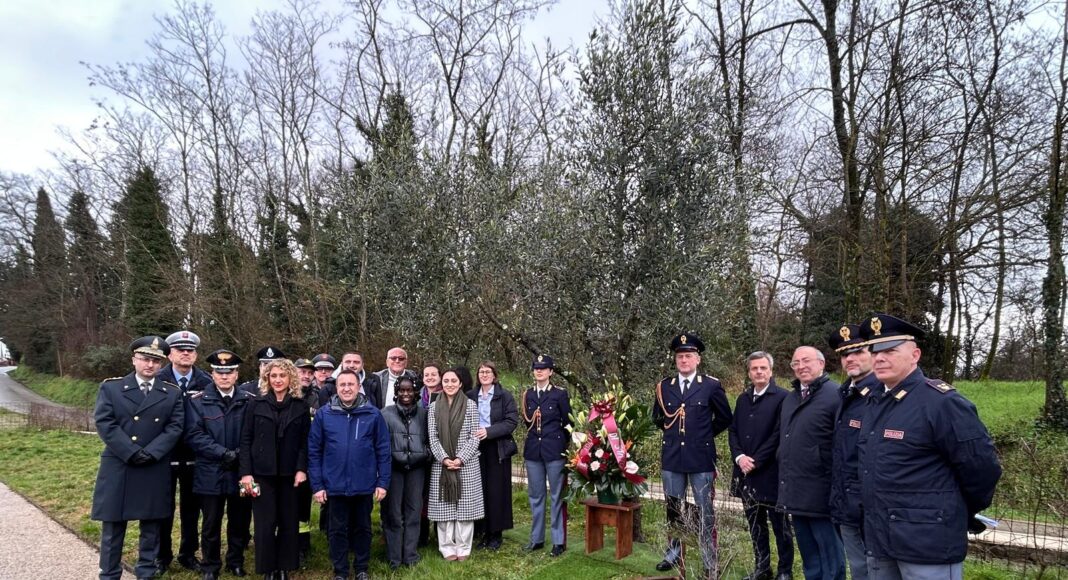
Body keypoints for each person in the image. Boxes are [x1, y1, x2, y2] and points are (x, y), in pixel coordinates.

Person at [857, 314, 1001, 580]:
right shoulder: (875, 402)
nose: (879, 358)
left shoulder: (941, 403)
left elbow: (981, 468)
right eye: (874, 352)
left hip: (927, 542)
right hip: (880, 538)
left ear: (915, 355)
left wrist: (955, 510)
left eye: (890, 351)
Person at [91, 336, 185, 580]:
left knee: (151, 526)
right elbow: (105, 423)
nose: (150, 365)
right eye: (145, 359)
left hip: (154, 464)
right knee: (113, 526)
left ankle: (146, 572)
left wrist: (152, 452)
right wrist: (131, 452)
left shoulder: (171, 393)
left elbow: (175, 427)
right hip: (119, 462)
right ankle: (109, 574)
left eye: (156, 361)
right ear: (134, 359)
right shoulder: (111, 388)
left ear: (162, 364)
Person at [652, 332, 733, 577]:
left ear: (698, 359)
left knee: (705, 510)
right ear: (675, 360)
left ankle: (709, 558)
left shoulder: (710, 386)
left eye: (688, 356)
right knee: (673, 508)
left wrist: (702, 436)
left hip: (701, 458)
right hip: (672, 457)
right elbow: (658, 417)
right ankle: (673, 552)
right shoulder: (665, 387)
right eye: (680, 356)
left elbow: (725, 418)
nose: (684, 360)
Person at [309, 369, 391, 580]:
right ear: (336, 388)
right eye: (342, 384)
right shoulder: (324, 414)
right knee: (337, 530)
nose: (346, 388)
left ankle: (362, 568)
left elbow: (383, 450)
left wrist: (382, 482)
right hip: (334, 484)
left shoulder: (373, 414)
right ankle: (341, 571)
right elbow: (314, 451)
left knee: (363, 528)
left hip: (363, 484)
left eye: (350, 384)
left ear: (358, 387)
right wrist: (317, 485)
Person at [185, 349, 255, 580]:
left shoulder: (249, 401)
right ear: (212, 374)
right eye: (219, 372)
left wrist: (239, 456)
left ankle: (235, 562)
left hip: (241, 471)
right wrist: (224, 454)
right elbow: (194, 436)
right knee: (210, 524)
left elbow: (254, 434)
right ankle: (210, 566)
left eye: (229, 372)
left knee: (240, 521)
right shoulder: (197, 401)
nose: (224, 376)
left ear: (237, 374)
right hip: (210, 470)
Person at [238, 359, 310, 580]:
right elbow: (246, 439)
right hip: (262, 473)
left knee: (289, 522)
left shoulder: (300, 406)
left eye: (282, 375)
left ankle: (284, 567)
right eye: (274, 376)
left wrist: (301, 469)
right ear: (267, 378)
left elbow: (304, 442)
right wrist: (246, 473)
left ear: (290, 378)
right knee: (265, 524)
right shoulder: (255, 404)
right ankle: (268, 568)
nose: (278, 380)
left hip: (290, 474)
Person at [778, 346, 844, 580]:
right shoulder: (791, 398)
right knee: (809, 556)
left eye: (806, 361)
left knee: (830, 556)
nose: (801, 367)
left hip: (822, 493)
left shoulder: (836, 395)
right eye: (796, 363)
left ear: (821, 364)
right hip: (795, 491)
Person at [728, 351, 794, 580]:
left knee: (780, 527)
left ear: (771, 371)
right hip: (746, 474)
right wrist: (739, 457)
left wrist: (755, 461)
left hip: (771, 474)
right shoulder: (743, 399)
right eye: (754, 368)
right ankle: (762, 568)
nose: (759, 372)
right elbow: (733, 431)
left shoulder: (784, 397)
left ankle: (785, 571)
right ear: (749, 373)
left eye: (763, 368)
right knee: (755, 525)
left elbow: (778, 435)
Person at [828, 324, 880, 580]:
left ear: (874, 353)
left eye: (858, 352)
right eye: (845, 354)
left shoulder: (881, 394)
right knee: (859, 569)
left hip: (871, 508)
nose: (850, 359)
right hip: (846, 504)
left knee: (875, 571)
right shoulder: (846, 394)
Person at [159, 330, 212, 573]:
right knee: (163, 508)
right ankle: (162, 556)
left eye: (190, 350)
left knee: (192, 509)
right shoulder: (158, 379)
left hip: (195, 455)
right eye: (180, 350)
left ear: (196, 355)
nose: (185, 353)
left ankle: (188, 554)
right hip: (164, 454)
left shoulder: (206, 382)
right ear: (170, 354)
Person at [428, 368, 484, 561]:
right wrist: (444, 459)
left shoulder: (471, 405)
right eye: (446, 381)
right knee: (444, 509)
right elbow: (432, 437)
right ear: (441, 383)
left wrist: (460, 459)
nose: (450, 384)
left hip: (466, 464)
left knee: (465, 509)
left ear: (460, 383)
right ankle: (447, 548)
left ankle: (463, 548)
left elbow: (474, 436)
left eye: (454, 381)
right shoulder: (433, 407)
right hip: (441, 464)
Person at [520, 354, 571, 557]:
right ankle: (537, 539)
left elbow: (568, 423)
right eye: (536, 368)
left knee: (557, 496)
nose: (539, 371)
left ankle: (558, 541)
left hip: (554, 451)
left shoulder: (560, 394)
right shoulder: (528, 394)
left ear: (551, 372)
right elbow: (527, 422)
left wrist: (561, 444)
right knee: (536, 495)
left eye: (543, 368)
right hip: (534, 451)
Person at [469, 361, 518, 550]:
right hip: (475, 447)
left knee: (497, 491)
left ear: (494, 375)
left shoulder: (504, 396)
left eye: (488, 371)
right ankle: (483, 533)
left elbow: (511, 421)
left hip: (497, 447)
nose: (484, 374)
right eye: (481, 371)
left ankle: (496, 534)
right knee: (480, 490)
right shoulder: (470, 395)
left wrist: (489, 431)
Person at [382, 376, 430, 569]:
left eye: (409, 390)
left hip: (417, 468)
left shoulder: (424, 414)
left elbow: (430, 438)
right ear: (396, 392)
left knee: (413, 512)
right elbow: (381, 442)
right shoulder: (386, 413)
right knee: (393, 514)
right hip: (394, 468)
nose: (406, 394)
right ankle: (394, 557)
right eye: (402, 390)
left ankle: (410, 555)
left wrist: (425, 454)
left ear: (415, 392)